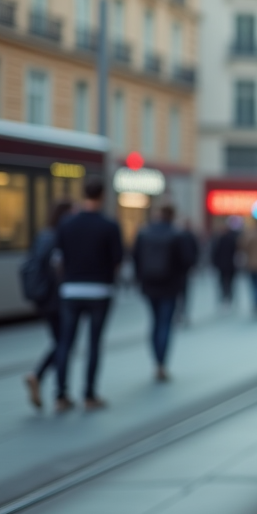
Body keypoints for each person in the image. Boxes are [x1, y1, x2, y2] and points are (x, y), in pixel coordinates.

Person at [53, 176, 125, 411]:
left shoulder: (67, 224)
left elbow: (58, 258)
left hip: (71, 289)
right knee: (94, 343)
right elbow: (117, 261)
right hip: (99, 290)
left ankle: (60, 394)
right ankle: (89, 394)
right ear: (103, 196)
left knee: (66, 342)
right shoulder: (109, 225)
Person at [133, 204, 194, 382]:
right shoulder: (177, 235)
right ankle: (161, 363)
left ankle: (156, 359)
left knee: (154, 321)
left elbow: (136, 258)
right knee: (165, 323)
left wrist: (140, 279)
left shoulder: (144, 233)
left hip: (150, 285)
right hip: (170, 285)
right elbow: (187, 260)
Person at [22, 200, 73, 410]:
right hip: (57, 298)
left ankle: (40, 378)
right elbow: (56, 269)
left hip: (44, 298)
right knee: (64, 343)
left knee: (59, 341)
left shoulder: (43, 235)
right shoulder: (56, 239)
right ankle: (56, 390)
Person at [173, 217, 200, 327]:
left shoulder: (178, 236)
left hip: (179, 272)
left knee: (181, 294)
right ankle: (181, 314)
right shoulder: (180, 236)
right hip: (181, 271)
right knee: (183, 294)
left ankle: (180, 314)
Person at [210, 218, 240, 306]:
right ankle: (227, 297)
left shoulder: (220, 239)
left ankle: (226, 297)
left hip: (225, 265)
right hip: (227, 265)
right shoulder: (230, 239)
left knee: (226, 282)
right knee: (226, 282)